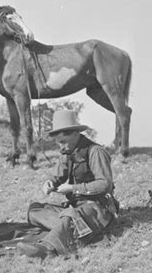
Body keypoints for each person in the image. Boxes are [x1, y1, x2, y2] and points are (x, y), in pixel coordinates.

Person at [17, 110, 119, 259]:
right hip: (76, 208)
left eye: (63, 142)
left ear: (75, 135)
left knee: (69, 216)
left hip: (97, 208)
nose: (60, 147)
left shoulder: (95, 152)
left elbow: (105, 185)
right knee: (34, 210)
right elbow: (58, 176)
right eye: (58, 143)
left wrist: (72, 188)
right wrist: (50, 182)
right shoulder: (67, 152)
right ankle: (73, 227)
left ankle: (47, 248)